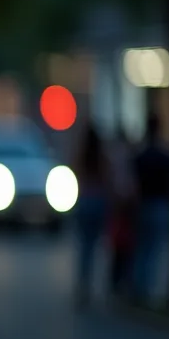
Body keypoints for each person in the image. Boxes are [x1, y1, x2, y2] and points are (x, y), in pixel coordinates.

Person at [129, 114, 169, 307]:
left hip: (144, 205)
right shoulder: (165, 157)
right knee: (154, 250)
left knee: (143, 249)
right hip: (159, 206)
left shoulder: (141, 156)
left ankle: (140, 288)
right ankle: (146, 291)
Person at [71, 125, 110, 309]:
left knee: (84, 247)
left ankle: (83, 286)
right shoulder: (101, 156)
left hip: (85, 200)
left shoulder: (81, 154)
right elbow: (107, 177)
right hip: (98, 201)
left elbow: (75, 171)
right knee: (94, 246)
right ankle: (91, 286)